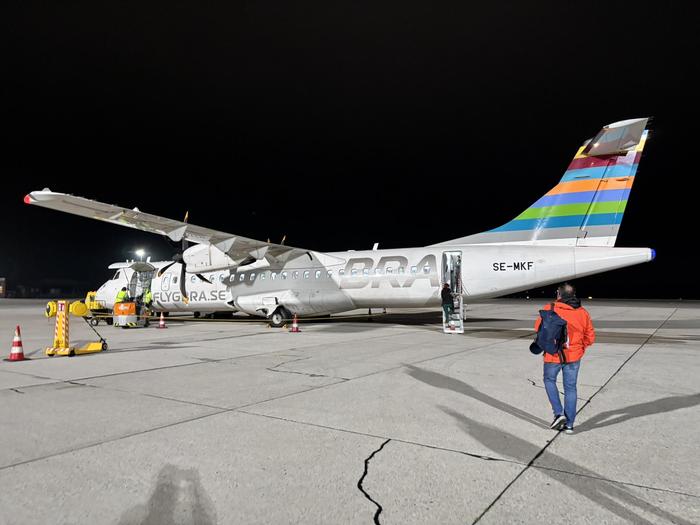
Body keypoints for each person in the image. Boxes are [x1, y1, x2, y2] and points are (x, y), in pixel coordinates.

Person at [535, 283, 595, 434]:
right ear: (574, 295)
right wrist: (580, 348)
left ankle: (558, 413)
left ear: (559, 295)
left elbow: (538, 329)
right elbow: (590, 337)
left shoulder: (550, 308)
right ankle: (569, 425)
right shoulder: (582, 312)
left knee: (549, 381)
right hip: (574, 356)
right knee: (570, 388)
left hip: (553, 354)